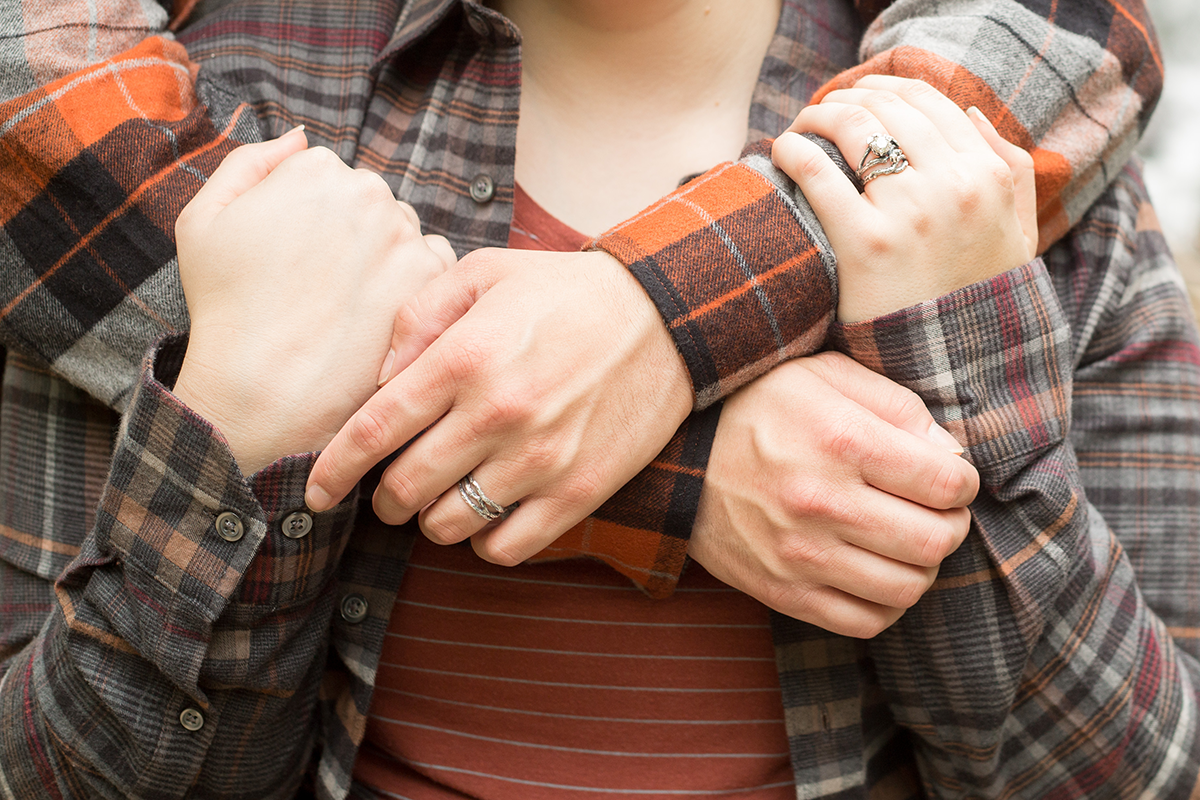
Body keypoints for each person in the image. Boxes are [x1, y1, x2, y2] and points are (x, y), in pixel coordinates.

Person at [1, 1, 1195, 799]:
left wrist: (952, 371)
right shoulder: (196, 111)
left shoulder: (991, 162)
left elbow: (1136, 773)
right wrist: (240, 438)